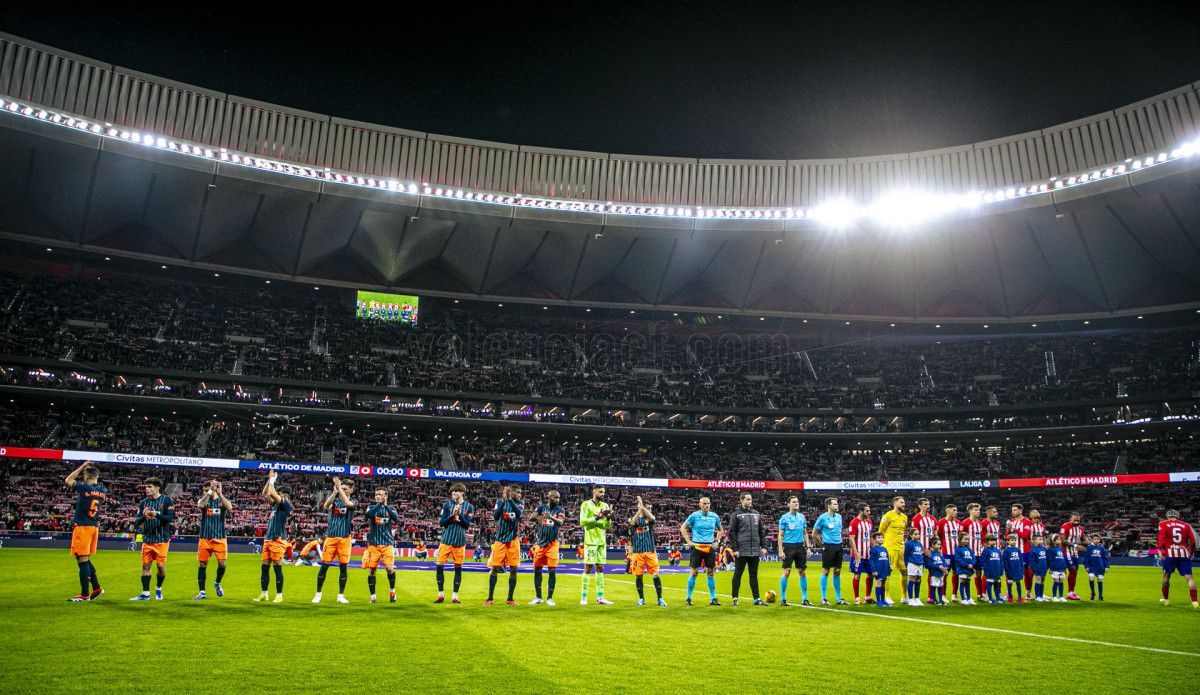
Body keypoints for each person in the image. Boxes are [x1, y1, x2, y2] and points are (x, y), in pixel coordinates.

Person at [65, 461, 106, 602]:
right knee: (85, 558)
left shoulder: (84, 487)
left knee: (82, 560)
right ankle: (97, 588)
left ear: (86, 476)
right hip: (93, 527)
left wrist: (82, 467)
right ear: (98, 476)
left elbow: (68, 480)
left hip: (83, 526)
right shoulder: (102, 490)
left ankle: (84, 594)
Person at [129, 477, 175, 602]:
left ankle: (158, 588)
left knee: (160, 566)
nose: (147, 489)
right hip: (148, 540)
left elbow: (170, 518)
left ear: (157, 488)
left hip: (161, 540)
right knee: (145, 567)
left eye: (149, 487)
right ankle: (145, 593)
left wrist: (156, 514)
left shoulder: (166, 500)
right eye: (146, 487)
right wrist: (144, 516)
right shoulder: (144, 503)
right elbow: (137, 522)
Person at [313, 477, 356, 605]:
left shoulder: (353, 501)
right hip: (331, 538)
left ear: (351, 490)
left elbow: (348, 504)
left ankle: (340, 595)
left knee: (343, 568)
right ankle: (318, 594)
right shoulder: (335, 500)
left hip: (344, 539)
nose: (342, 490)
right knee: (324, 567)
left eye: (345, 489)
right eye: (341, 488)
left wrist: (339, 489)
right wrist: (334, 492)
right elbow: (326, 506)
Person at [253, 471, 292, 603]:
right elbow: (266, 493)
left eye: (280, 493)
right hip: (268, 539)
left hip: (278, 539)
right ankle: (264, 594)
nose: (277, 495)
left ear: (284, 495)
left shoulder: (286, 505)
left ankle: (279, 595)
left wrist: (273, 481)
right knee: (264, 567)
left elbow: (272, 493)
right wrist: (269, 480)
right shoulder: (276, 505)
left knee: (277, 567)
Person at [435, 483, 473, 604]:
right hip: (446, 540)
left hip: (459, 541)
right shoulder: (447, 505)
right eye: (452, 492)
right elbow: (442, 522)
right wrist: (452, 515)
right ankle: (440, 595)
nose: (453, 494)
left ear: (462, 492)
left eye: (456, 492)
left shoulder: (469, 507)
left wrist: (459, 514)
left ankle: (455, 596)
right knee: (439, 566)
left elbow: (467, 525)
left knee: (458, 569)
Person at [681, 496, 723, 606]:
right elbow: (683, 528)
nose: (706, 505)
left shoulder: (714, 516)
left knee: (710, 573)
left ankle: (713, 598)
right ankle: (689, 598)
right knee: (694, 572)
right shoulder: (694, 516)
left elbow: (720, 530)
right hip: (697, 547)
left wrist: (717, 541)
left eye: (708, 503)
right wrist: (689, 541)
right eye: (704, 504)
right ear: (700, 505)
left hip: (709, 547)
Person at [486, 485, 524, 606]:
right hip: (500, 540)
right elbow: (495, 516)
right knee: (495, 568)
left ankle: (510, 598)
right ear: (511, 492)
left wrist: (510, 500)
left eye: (520, 492)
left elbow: (518, 513)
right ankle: (490, 598)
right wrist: (503, 502)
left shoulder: (520, 503)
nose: (519, 494)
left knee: (513, 569)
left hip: (513, 540)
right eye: (517, 492)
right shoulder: (499, 502)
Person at [728, 492, 768, 606]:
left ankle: (757, 599)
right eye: (748, 499)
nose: (750, 501)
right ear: (742, 500)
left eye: (751, 499)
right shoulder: (736, 515)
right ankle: (735, 598)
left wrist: (764, 546)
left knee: (753, 575)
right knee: (738, 574)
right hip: (741, 550)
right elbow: (732, 532)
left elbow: (761, 531)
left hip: (755, 550)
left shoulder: (756, 514)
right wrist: (735, 549)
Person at [194, 479, 232, 600]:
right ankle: (202, 592)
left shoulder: (221, 501)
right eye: (204, 490)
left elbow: (229, 507)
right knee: (202, 564)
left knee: (222, 564)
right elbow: (200, 505)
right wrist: (209, 491)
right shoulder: (203, 501)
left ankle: (217, 583)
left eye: (207, 490)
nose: (205, 492)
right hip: (205, 537)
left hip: (219, 538)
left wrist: (220, 493)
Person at [528, 490, 565, 606]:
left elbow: (560, 522)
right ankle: (538, 597)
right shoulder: (541, 508)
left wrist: (550, 517)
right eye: (555, 497)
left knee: (552, 570)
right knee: (537, 569)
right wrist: (538, 518)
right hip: (540, 544)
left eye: (558, 498)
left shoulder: (560, 510)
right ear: (549, 497)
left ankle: (550, 598)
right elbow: (531, 518)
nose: (557, 500)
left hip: (552, 544)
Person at [363, 488, 400, 604]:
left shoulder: (392, 509)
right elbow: (368, 515)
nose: (377, 496)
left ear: (386, 496)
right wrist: (379, 505)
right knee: (372, 570)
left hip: (387, 543)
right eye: (376, 494)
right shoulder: (372, 508)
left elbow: (396, 519)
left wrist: (385, 506)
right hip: (374, 544)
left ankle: (392, 591)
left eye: (380, 494)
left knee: (389, 568)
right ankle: (373, 596)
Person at [579, 486, 614, 605]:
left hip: (601, 541)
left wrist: (608, 518)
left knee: (600, 568)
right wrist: (599, 516)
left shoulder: (605, 505)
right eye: (600, 491)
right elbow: (583, 521)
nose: (602, 494)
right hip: (590, 541)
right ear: (594, 491)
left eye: (604, 492)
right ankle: (583, 598)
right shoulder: (585, 504)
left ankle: (600, 597)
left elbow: (607, 526)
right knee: (588, 568)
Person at [629, 496, 666, 607]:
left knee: (655, 575)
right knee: (638, 576)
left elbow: (653, 518)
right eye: (648, 508)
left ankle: (660, 598)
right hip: (638, 553)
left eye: (650, 508)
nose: (650, 510)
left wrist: (642, 507)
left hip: (650, 552)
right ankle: (641, 599)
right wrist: (640, 508)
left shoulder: (649, 520)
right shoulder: (635, 519)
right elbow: (632, 523)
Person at [1156, 510, 1198, 608]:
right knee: (1189, 578)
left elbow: (1161, 538)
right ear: (1178, 516)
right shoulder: (1186, 525)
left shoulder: (1163, 523)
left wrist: (1159, 550)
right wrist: (1191, 553)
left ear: (1167, 516)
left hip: (1170, 554)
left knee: (1166, 577)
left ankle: (1166, 600)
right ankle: (1195, 602)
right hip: (1183, 554)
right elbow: (1193, 542)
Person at [811, 497, 847, 606]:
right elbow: (814, 534)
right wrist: (822, 545)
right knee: (826, 571)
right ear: (829, 505)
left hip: (839, 546)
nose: (837, 506)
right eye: (835, 504)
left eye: (837, 504)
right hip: (828, 546)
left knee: (837, 571)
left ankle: (838, 598)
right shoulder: (822, 518)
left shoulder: (839, 517)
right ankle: (824, 598)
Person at [778, 495, 812, 607]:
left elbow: (805, 532)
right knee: (787, 571)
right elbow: (780, 535)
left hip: (800, 546)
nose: (796, 503)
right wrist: (780, 550)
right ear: (788, 504)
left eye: (797, 501)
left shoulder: (802, 517)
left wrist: (808, 547)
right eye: (794, 502)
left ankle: (805, 598)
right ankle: (783, 598)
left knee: (802, 571)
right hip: (788, 546)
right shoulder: (784, 518)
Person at [879, 496, 908, 604]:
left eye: (904, 502)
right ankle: (887, 596)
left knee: (905, 571)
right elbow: (881, 531)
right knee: (888, 572)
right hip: (890, 548)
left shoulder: (905, 517)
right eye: (902, 502)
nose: (904, 504)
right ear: (895, 503)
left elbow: (903, 532)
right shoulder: (888, 515)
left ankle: (904, 596)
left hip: (901, 548)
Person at [911, 498, 937, 603]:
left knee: (933, 573)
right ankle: (915, 597)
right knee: (917, 575)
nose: (928, 506)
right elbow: (914, 537)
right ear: (920, 506)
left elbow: (935, 536)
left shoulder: (933, 519)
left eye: (929, 504)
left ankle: (931, 597)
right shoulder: (916, 519)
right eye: (925, 504)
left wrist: (937, 548)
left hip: (931, 551)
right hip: (920, 552)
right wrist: (924, 549)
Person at [847, 503, 873, 605]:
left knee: (870, 575)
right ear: (861, 511)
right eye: (867, 511)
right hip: (858, 554)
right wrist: (856, 553)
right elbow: (851, 539)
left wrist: (873, 548)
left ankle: (867, 596)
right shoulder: (854, 522)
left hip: (868, 554)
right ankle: (857, 597)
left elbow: (870, 537)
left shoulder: (869, 522)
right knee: (857, 575)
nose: (869, 512)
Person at [1006, 503, 1034, 599]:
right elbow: (1006, 537)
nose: (1013, 512)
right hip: (1011, 551)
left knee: (1027, 572)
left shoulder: (1027, 522)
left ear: (1020, 511)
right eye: (1012, 510)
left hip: (1024, 551)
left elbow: (1025, 535)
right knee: (1009, 571)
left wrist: (1013, 528)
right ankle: (1008, 593)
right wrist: (1008, 530)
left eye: (1015, 510)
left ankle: (1028, 593)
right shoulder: (1011, 521)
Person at [961, 503, 987, 601]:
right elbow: (961, 538)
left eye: (978, 510)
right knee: (966, 575)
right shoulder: (965, 523)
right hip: (968, 553)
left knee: (979, 574)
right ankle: (965, 596)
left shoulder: (980, 523)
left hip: (978, 553)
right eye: (975, 510)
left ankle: (979, 594)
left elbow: (982, 537)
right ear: (970, 511)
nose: (978, 512)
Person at [1059, 513, 1085, 601]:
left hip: (1075, 553)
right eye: (1075, 520)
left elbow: (1083, 539)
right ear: (1070, 518)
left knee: (1074, 572)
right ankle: (1060, 594)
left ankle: (1071, 592)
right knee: (1072, 570)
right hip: (1066, 552)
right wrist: (1075, 545)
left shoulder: (1080, 529)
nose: (1077, 521)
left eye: (1078, 520)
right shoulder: (1065, 526)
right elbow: (1063, 540)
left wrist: (1093, 543)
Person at [1083, 533, 1110, 601]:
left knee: (1100, 580)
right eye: (1094, 539)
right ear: (1091, 540)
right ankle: (1093, 593)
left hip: (1100, 567)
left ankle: (1100, 596)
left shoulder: (1101, 548)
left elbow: (1105, 558)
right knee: (1091, 578)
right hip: (1092, 567)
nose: (1096, 540)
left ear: (1099, 540)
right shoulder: (1089, 548)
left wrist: (1107, 566)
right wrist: (1086, 566)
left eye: (1098, 539)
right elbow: (1085, 558)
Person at [979, 535, 1005, 605]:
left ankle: (997, 598)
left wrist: (1001, 570)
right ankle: (990, 598)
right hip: (990, 571)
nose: (994, 542)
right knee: (990, 584)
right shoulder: (986, 550)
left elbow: (1001, 561)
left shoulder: (997, 550)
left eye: (994, 540)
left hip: (997, 570)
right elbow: (984, 562)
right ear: (987, 542)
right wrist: (986, 571)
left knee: (997, 584)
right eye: (992, 540)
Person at [903, 528, 925, 607]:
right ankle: (910, 598)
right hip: (912, 563)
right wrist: (906, 564)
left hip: (920, 563)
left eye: (918, 534)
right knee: (911, 579)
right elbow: (906, 555)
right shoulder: (908, 543)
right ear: (911, 535)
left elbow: (922, 554)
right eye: (915, 534)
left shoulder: (919, 544)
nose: (917, 535)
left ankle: (917, 597)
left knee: (918, 580)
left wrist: (923, 563)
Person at [953, 532, 977, 605]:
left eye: (968, 539)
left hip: (969, 569)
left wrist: (972, 564)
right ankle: (963, 598)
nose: (967, 541)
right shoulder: (958, 549)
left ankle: (969, 598)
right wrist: (966, 565)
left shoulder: (969, 549)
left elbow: (973, 558)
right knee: (962, 582)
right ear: (960, 540)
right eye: (965, 539)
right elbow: (958, 559)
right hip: (962, 569)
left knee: (968, 583)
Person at [869, 533, 891, 608]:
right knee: (879, 584)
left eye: (882, 537)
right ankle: (878, 601)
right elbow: (871, 561)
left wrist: (888, 569)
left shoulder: (884, 549)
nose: (881, 539)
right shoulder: (874, 549)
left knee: (883, 584)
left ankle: (883, 600)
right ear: (874, 540)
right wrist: (874, 570)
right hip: (878, 570)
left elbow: (887, 559)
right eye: (879, 537)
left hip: (884, 569)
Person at [1002, 534, 1025, 603]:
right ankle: (1010, 597)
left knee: (1018, 583)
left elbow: (1021, 560)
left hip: (1018, 570)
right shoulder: (1006, 550)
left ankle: (1020, 597)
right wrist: (1006, 570)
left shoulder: (1018, 550)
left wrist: (1022, 569)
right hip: (1010, 570)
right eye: (1012, 540)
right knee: (1010, 583)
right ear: (1008, 542)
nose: (1014, 542)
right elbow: (1004, 561)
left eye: (1015, 540)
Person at [926, 538, 949, 605]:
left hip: (941, 573)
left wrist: (945, 569)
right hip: (934, 573)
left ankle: (940, 600)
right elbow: (929, 564)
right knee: (933, 586)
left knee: (940, 587)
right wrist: (938, 567)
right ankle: (934, 599)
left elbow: (943, 561)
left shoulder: (939, 553)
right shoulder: (930, 554)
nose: (940, 545)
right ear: (933, 545)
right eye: (938, 544)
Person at [1047, 534, 1068, 602]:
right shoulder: (1051, 550)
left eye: (1060, 539)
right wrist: (1051, 569)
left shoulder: (1061, 549)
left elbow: (1063, 559)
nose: (1060, 541)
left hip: (1061, 568)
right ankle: (1054, 596)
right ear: (1053, 541)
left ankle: (1061, 596)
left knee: (1061, 581)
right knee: (1056, 581)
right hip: (1055, 568)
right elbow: (1050, 560)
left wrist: (1065, 568)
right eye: (1058, 539)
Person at [1028, 535, 1049, 602]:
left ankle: (1041, 595)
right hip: (1037, 569)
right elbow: (1032, 562)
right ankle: (1038, 596)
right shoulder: (1033, 549)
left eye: (1042, 539)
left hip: (1044, 568)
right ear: (1034, 541)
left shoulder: (1044, 549)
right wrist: (1035, 569)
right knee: (1038, 581)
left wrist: (1047, 567)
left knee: (1042, 582)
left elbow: (1046, 559)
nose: (1041, 541)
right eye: (1039, 539)